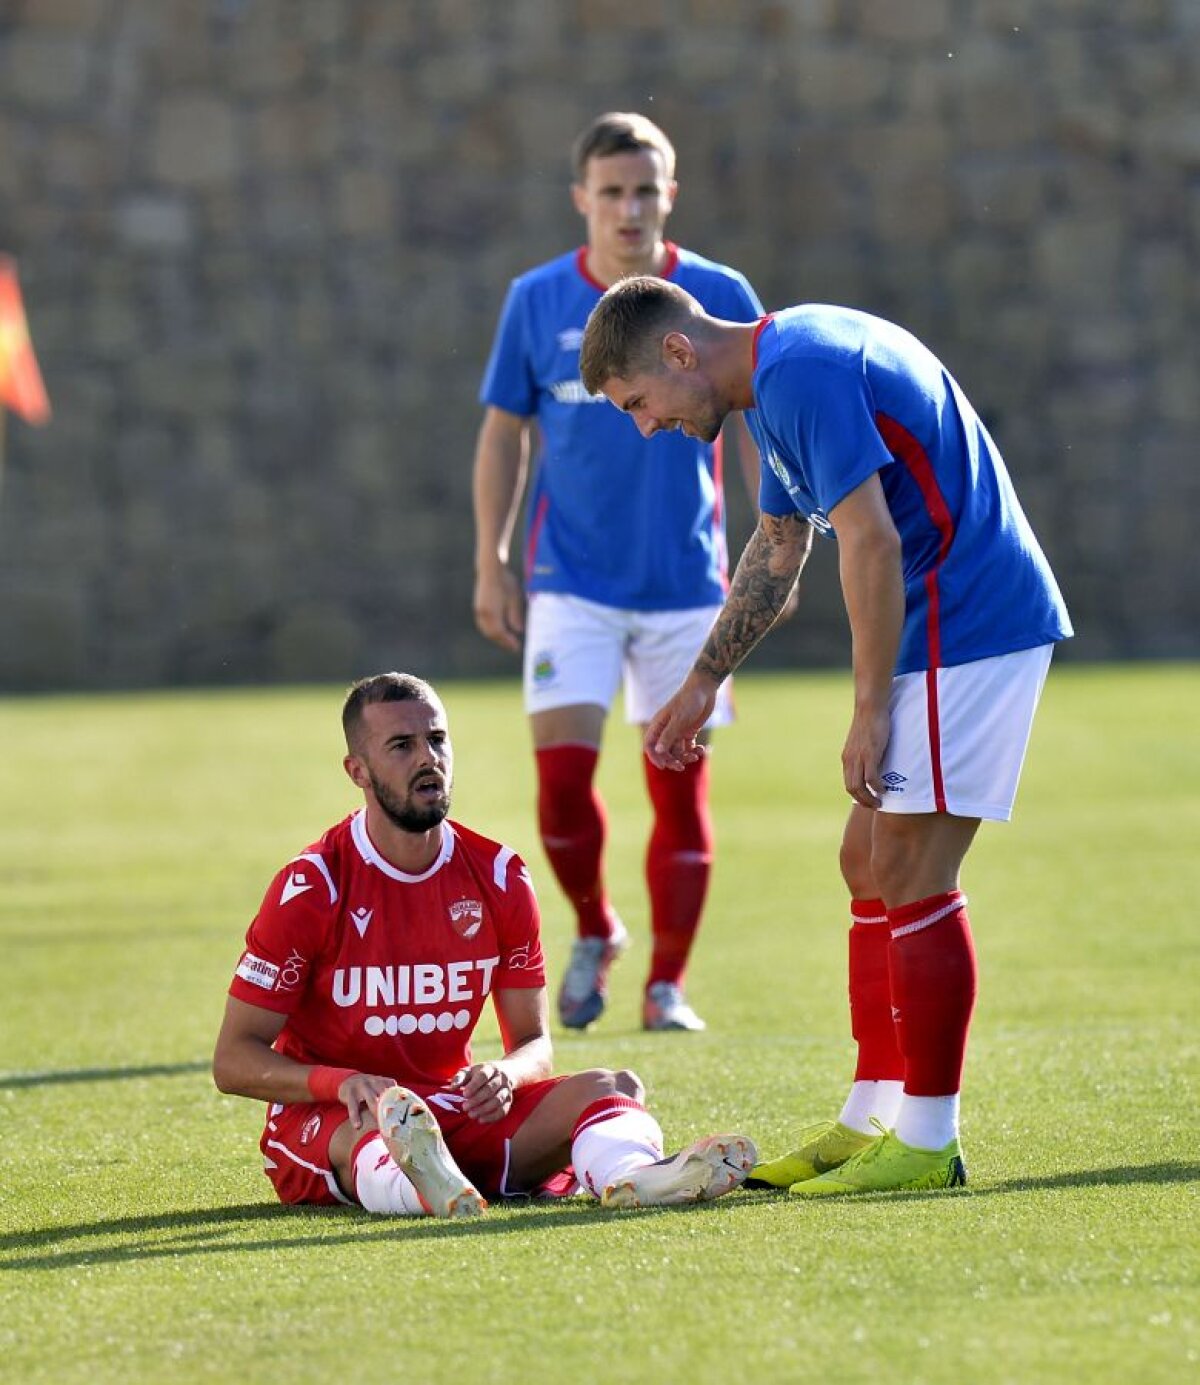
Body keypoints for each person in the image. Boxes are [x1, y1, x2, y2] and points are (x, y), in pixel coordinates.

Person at [578, 278, 1072, 1195]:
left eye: (638, 404)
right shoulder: (771, 383)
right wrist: (699, 683)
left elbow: (873, 542)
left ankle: (927, 1140)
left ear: (679, 352)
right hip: (945, 624)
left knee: (914, 869)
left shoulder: (800, 370)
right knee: (867, 859)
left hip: (967, 620)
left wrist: (869, 707)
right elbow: (777, 553)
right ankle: (870, 1118)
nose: (645, 427)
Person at [212, 672, 756, 1218]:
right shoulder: (314, 886)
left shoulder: (499, 875)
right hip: (335, 1117)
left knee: (611, 1086)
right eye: (401, 746)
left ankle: (635, 1178)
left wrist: (505, 1075)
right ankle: (423, 1186)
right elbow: (233, 1060)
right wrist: (343, 1082)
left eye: (438, 740)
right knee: (377, 1132)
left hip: (449, 1108)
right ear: (358, 770)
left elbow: (534, 1042)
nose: (428, 758)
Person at [472, 112, 766, 1033]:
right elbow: (503, 432)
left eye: (646, 189)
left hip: (688, 585)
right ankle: (597, 926)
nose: (629, 207)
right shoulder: (535, 299)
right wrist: (492, 557)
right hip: (571, 583)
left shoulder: (716, 292)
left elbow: (757, 420)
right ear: (582, 200)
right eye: (612, 191)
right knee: (560, 782)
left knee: (679, 782)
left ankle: (667, 984)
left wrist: (775, 544)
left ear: (669, 194)